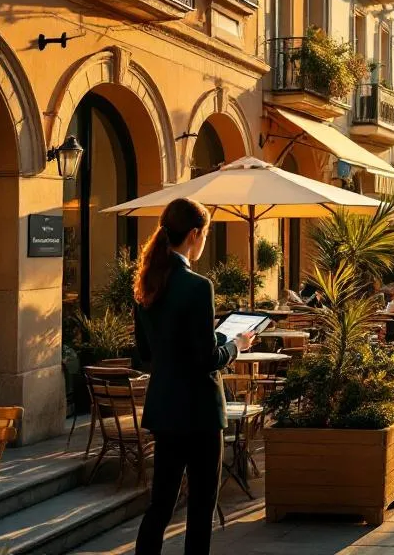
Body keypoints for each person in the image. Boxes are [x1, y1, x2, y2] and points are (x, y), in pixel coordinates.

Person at [133, 198, 255, 555]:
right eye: (205, 235)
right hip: (200, 414)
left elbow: (147, 354)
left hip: (165, 409)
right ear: (194, 234)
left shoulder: (147, 281)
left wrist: (213, 337)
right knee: (201, 509)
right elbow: (206, 359)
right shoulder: (199, 285)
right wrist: (236, 345)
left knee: (160, 505)